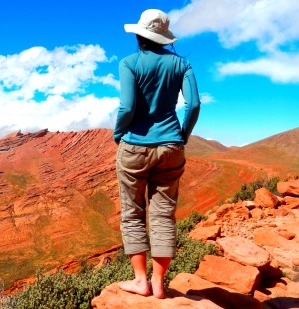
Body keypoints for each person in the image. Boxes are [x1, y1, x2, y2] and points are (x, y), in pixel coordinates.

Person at [113, 9, 201, 299]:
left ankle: (140, 281)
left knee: (132, 213)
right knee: (163, 214)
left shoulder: (129, 63)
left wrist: (118, 132)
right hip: (171, 147)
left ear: (140, 35)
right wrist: (182, 135)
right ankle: (159, 282)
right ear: (164, 38)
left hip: (134, 147)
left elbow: (127, 107)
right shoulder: (182, 64)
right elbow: (194, 105)